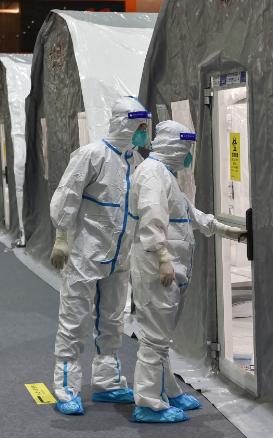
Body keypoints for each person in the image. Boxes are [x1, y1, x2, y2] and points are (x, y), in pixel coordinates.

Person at [128, 120, 245, 423]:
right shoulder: (154, 175)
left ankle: (168, 390)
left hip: (168, 268)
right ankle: (148, 402)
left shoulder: (165, 175)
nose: (188, 155)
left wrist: (227, 229)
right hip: (158, 268)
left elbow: (188, 214)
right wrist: (163, 256)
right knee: (154, 339)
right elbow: (152, 218)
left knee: (161, 337)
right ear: (174, 146)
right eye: (186, 148)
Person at [49, 97, 151, 415]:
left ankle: (107, 382)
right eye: (139, 126)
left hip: (118, 260)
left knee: (112, 321)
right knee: (75, 322)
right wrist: (62, 238)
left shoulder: (134, 161)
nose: (143, 133)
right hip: (84, 255)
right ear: (124, 123)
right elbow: (66, 196)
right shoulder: (92, 155)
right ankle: (66, 387)